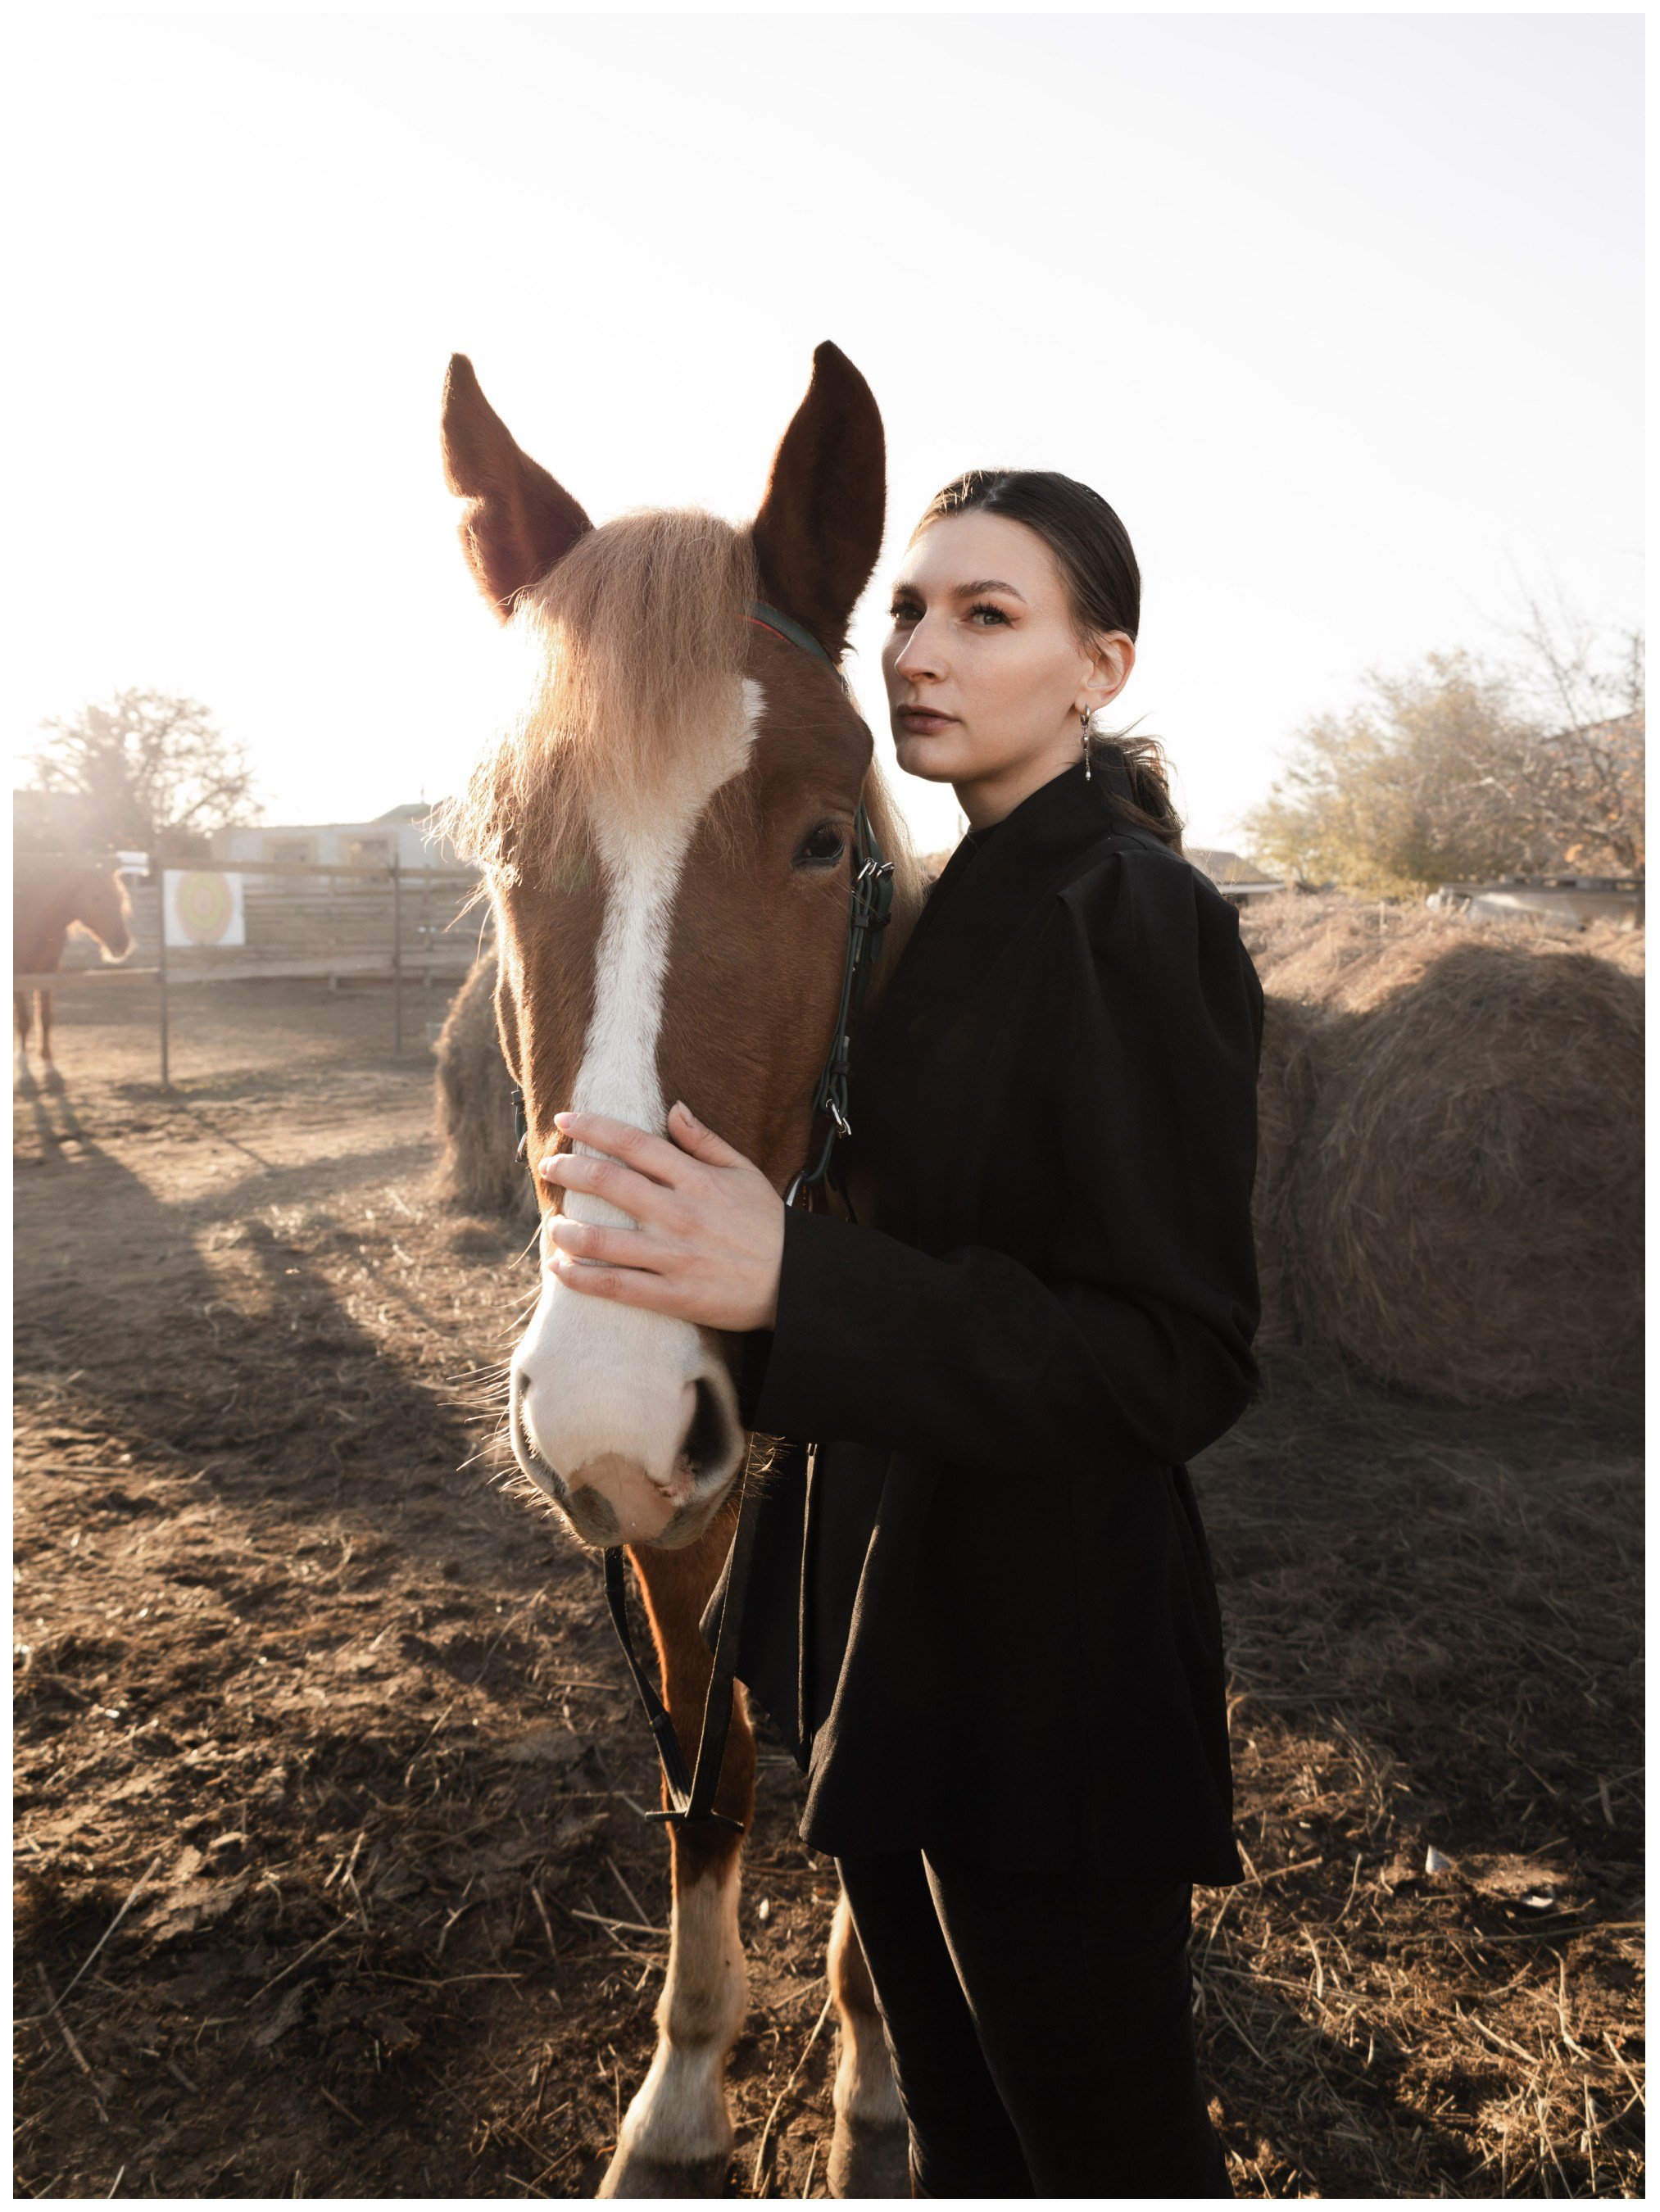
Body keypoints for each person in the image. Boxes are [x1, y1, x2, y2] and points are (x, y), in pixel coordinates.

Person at [540, 468, 1261, 2197]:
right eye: (908, 614)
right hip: (886, 1635)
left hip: (1048, 1666)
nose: (921, 654)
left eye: (986, 616)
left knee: (1093, 2159)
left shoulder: (1132, 916)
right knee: (958, 2144)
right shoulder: (925, 912)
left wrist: (794, 1277)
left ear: (1101, 666)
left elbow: (1176, 1359)